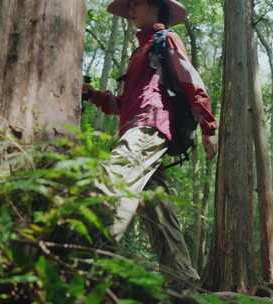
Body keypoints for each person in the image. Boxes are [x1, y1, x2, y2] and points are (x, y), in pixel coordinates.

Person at [82, 0, 218, 289]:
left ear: (156, 8)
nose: (131, 9)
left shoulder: (165, 39)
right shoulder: (140, 52)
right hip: (136, 126)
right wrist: (92, 94)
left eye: (136, 4)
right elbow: (122, 104)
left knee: (112, 183)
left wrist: (208, 126)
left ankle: (86, 263)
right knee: (158, 211)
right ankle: (183, 281)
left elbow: (190, 79)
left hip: (149, 126)